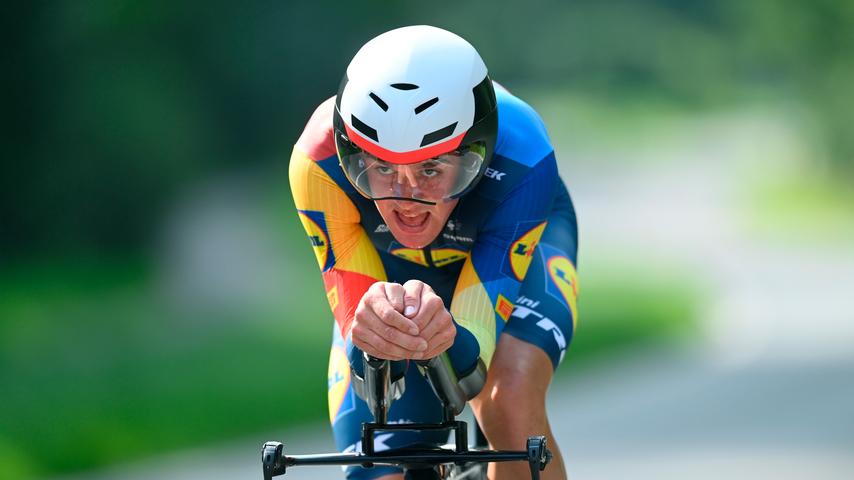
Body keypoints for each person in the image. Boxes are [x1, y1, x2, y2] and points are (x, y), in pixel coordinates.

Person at [289, 25, 578, 480]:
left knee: (508, 399)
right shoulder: (316, 161)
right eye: (381, 168)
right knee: (375, 464)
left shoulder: (524, 154)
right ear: (350, 154)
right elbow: (363, 343)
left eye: (430, 169)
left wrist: (451, 341)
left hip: (503, 252)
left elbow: (472, 362)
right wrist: (372, 341)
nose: (407, 199)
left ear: (477, 154)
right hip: (389, 272)